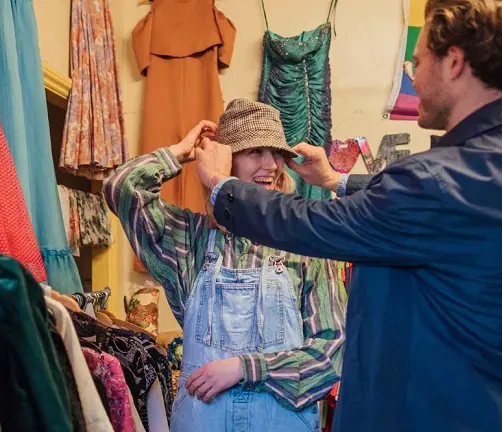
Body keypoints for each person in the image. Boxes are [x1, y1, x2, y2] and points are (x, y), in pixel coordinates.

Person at [193, 0, 502, 431]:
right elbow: (441, 211)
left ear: (454, 62)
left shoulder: (435, 183)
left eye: (418, 61)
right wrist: (336, 181)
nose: (410, 72)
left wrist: (219, 184)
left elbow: (311, 224)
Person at [103, 99, 347, 432]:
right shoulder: (189, 242)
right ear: (225, 160)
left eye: (276, 154)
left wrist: (248, 369)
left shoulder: (305, 245)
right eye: (254, 153)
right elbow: (121, 188)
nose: (271, 165)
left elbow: (332, 352)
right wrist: (180, 152)